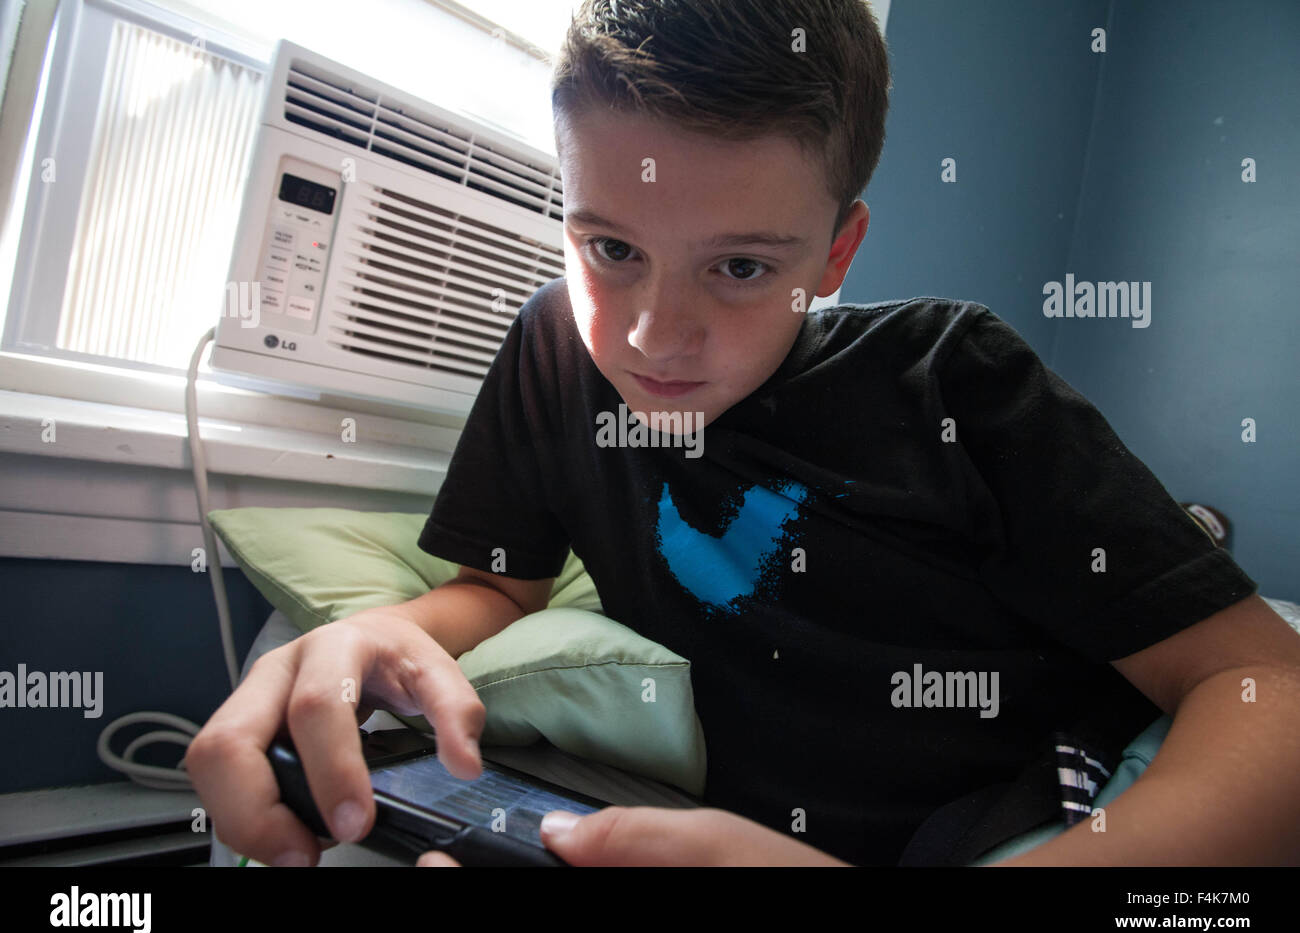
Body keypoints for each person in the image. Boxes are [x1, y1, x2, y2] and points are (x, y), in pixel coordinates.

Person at [187, 0, 1300, 867]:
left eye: (739, 267)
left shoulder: (952, 380)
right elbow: (503, 588)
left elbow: (1265, 687)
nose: (651, 337)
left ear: (836, 254)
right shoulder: (549, 349)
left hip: (1019, 786)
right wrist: (370, 635)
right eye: (609, 247)